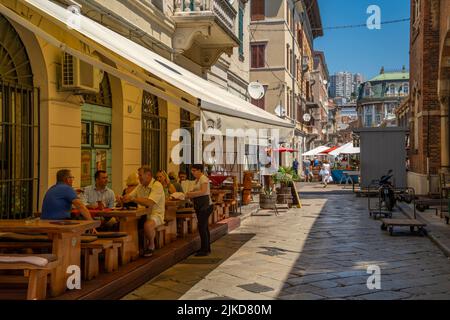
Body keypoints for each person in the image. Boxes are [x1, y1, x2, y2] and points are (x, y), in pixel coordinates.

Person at [121, 166, 165, 257]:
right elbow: (129, 197)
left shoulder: (157, 185)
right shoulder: (140, 186)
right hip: (142, 214)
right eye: (138, 176)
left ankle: (151, 245)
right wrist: (123, 198)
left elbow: (150, 202)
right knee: (126, 222)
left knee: (148, 225)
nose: (139, 178)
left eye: (140, 176)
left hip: (156, 214)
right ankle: (132, 250)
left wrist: (133, 199)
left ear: (148, 175)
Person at [186, 164, 214, 256]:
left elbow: (204, 191)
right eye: (192, 171)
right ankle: (206, 248)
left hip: (205, 206)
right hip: (200, 206)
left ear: (199, 170)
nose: (192, 172)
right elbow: (197, 191)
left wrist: (191, 194)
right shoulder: (196, 180)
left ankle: (204, 250)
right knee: (204, 227)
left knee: (202, 227)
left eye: (194, 170)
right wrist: (190, 194)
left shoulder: (203, 178)